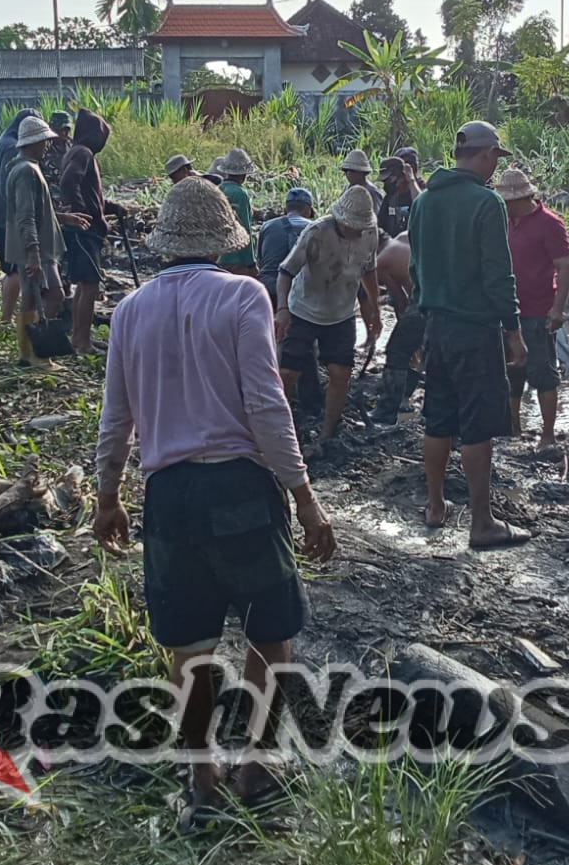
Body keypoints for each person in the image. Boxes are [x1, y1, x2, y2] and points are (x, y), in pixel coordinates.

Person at [94, 177, 336, 820]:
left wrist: (107, 494)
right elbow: (265, 404)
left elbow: (115, 417)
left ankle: (202, 778)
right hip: (241, 489)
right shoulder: (243, 296)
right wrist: (305, 498)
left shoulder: (130, 309)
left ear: (166, 245)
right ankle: (256, 764)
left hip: (168, 495)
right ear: (226, 243)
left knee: (190, 647)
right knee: (272, 636)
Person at [410, 120, 529, 548]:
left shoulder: (424, 202)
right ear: (483, 155)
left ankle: (436, 505)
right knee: (477, 425)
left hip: (436, 326)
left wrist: (422, 326)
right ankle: (482, 522)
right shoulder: (486, 202)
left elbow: (415, 268)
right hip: (475, 329)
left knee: (438, 418)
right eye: (495, 157)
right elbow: (499, 276)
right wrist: (513, 331)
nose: (495, 165)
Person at [275, 185, 382, 445]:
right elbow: (286, 272)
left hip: (342, 312)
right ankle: (285, 429)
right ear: (340, 219)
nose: (355, 231)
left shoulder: (369, 234)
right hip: (304, 308)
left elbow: (369, 271)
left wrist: (374, 311)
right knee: (288, 372)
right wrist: (282, 310)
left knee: (340, 372)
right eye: (351, 226)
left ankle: (328, 431)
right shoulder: (316, 232)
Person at [497, 168, 569, 455]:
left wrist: (558, 310)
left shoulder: (550, 223)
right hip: (508, 310)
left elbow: (564, 268)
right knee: (512, 371)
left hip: (539, 309)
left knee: (543, 372)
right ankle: (513, 427)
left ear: (523, 198)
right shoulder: (504, 222)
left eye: (508, 201)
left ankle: (548, 434)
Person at [5, 115, 73, 366]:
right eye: (44, 141)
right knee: (54, 294)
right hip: (38, 250)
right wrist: (33, 252)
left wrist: (64, 217)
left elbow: (35, 210)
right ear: (32, 142)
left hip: (34, 247)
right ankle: (36, 351)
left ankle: (27, 355)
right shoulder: (26, 171)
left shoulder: (21, 167)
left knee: (32, 298)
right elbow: (25, 216)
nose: (47, 146)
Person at [58, 108, 127, 355]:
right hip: (84, 230)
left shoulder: (77, 152)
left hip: (83, 227)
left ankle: (80, 337)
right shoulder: (83, 153)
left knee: (85, 285)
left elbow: (90, 195)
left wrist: (110, 207)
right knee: (89, 285)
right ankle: (83, 341)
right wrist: (80, 214)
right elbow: (69, 183)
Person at [0, 108, 40, 325]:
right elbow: (14, 189)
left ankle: (6, 317)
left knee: (10, 269)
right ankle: (7, 318)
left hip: (0, 217)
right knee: (15, 271)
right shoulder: (11, 148)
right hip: (11, 219)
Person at [371, 233, 424, 423]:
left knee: (397, 350)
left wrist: (406, 335)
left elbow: (400, 301)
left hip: (422, 300)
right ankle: (408, 399)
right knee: (430, 353)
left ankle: (387, 411)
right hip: (441, 294)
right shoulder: (403, 237)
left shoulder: (381, 261)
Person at [258, 187, 315, 302]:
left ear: (285, 209)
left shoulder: (267, 226)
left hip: (270, 288)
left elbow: (260, 261)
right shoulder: (315, 228)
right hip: (302, 292)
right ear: (309, 210)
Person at [216, 148, 259, 276]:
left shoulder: (217, 190)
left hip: (217, 256)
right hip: (235, 258)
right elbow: (245, 229)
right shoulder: (240, 194)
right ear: (243, 174)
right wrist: (251, 263)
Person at [377, 156, 420, 240]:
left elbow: (421, 206)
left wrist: (411, 181)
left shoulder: (414, 194)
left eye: (390, 179)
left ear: (402, 177)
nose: (387, 184)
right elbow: (380, 225)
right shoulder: (389, 199)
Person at [43, 110, 73, 203]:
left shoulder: (72, 146)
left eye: (66, 129)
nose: (64, 133)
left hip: (70, 195)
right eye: (60, 129)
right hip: (50, 197)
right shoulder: (43, 147)